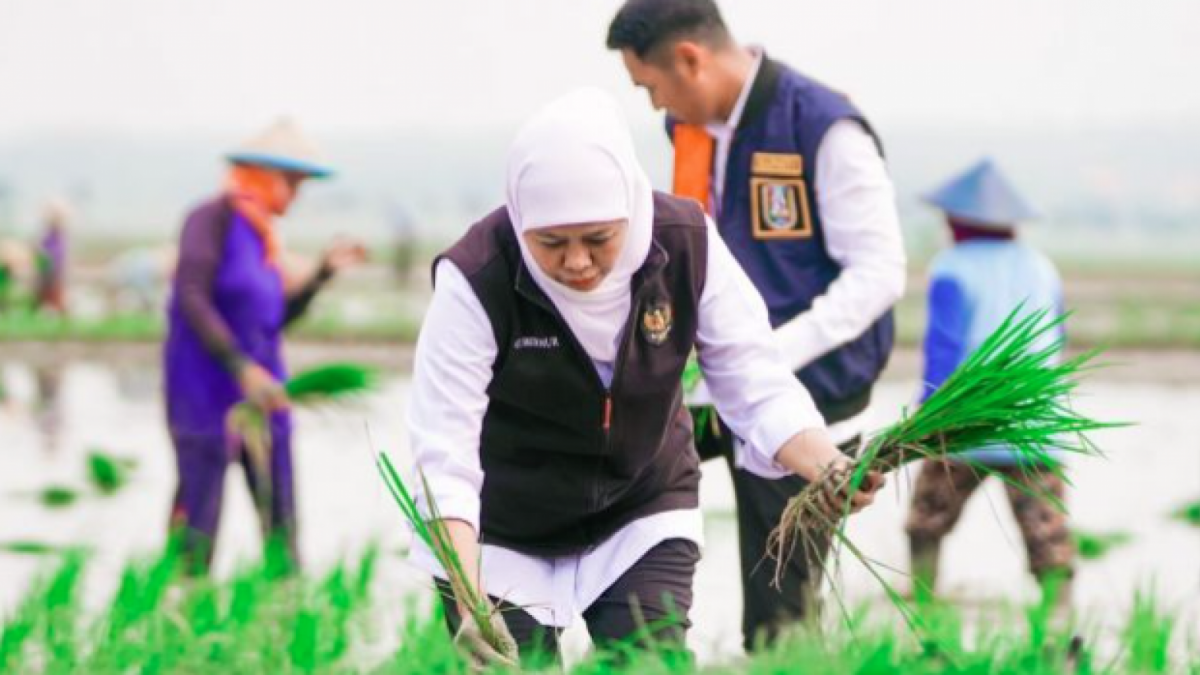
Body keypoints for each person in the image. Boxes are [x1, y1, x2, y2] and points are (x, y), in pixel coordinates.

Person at [405, 88, 884, 668]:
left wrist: (828, 464)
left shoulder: (684, 242)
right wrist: (467, 595)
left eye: (598, 239)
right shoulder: (478, 276)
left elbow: (755, 381)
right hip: (503, 526)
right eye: (551, 243)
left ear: (630, 209)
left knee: (649, 662)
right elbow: (444, 451)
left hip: (640, 506)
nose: (577, 261)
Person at [606, 0, 906, 648]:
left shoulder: (823, 127)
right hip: (710, 384)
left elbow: (880, 273)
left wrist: (765, 354)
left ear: (690, 59)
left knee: (780, 613)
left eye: (651, 87)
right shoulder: (689, 130)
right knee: (623, 498)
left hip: (812, 394)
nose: (656, 106)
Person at [163, 119, 366, 574]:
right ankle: (182, 601)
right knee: (198, 521)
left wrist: (321, 274)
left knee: (281, 521)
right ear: (263, 175)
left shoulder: (264, 238)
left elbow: (272, 322)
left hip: (266, 397)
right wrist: (241, 368)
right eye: (292, 183)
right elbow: (191, 296)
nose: (295, 195)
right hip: (204, 395)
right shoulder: (211, 220)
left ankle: (285, 603)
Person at [905, 158, 1076, 607]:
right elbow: (1057, 337)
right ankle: (1059, 616)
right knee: (1048, 533)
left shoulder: (951, 267)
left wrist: (927, 415)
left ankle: (923, 606)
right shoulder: (1042, 267)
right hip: (1034, 421)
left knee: (926, 521)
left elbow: (943, 348)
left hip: (966, 422)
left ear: (959, 222)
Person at [33, 199, 70, 316]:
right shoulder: (46, 234)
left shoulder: (60, 235)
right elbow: (40, 251)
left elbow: (60, 254)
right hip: (46, 268)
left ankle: (59, 312)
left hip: (55, 269)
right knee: (44, 293)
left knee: (55, 293)